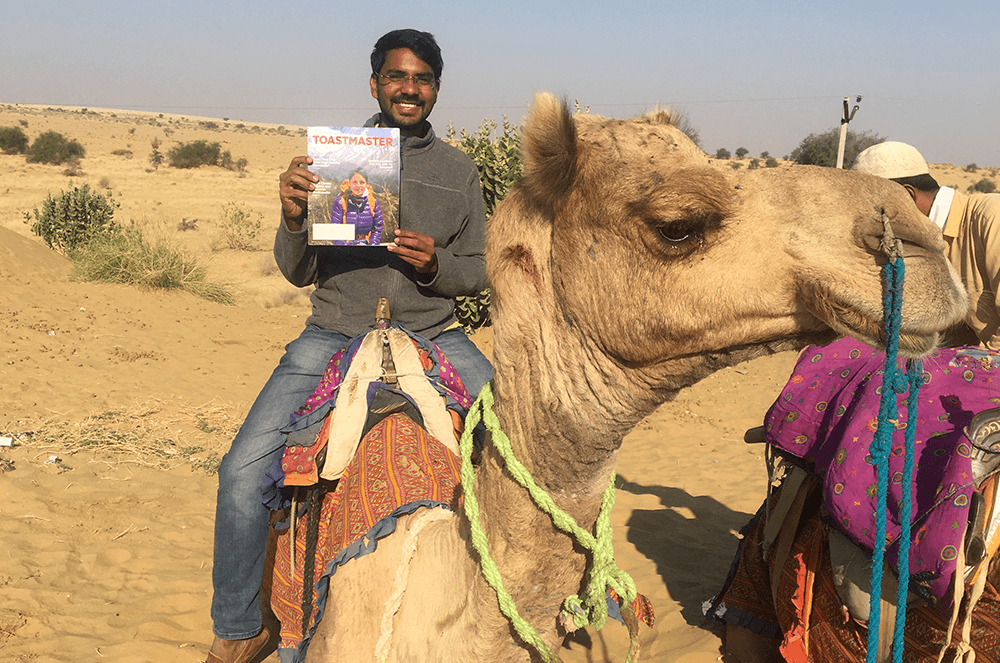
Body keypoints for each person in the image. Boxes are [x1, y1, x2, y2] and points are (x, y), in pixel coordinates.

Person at [205, 28, 493, 663]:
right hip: (333, 332)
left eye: (421, 79)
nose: (408, 89)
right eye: (396, 77)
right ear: (375, 84)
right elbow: (298, 270)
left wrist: (436, 266)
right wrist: (290, 216)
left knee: (523, 444)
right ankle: (239, 627)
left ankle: (544, 600)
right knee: (240, 474)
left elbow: (481, 269)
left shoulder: (458, 170)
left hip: (432, 332)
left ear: (437, 89)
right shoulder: (335, 158)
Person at [853, 141, 1000, 350]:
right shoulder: (921, 243)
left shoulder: (991, 217)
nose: (870, 220)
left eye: (872, 210)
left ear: (907, 196)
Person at [331, 167, 383, 245]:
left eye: (362, 182)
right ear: (350, 183)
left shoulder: (373, 202)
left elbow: (378, 228)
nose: (358, 186)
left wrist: (373, 245)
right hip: (346, 247)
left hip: (366, 245)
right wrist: (344, 247)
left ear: (366, 184)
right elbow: (335, 228)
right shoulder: (341, 202)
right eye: (354, 182)